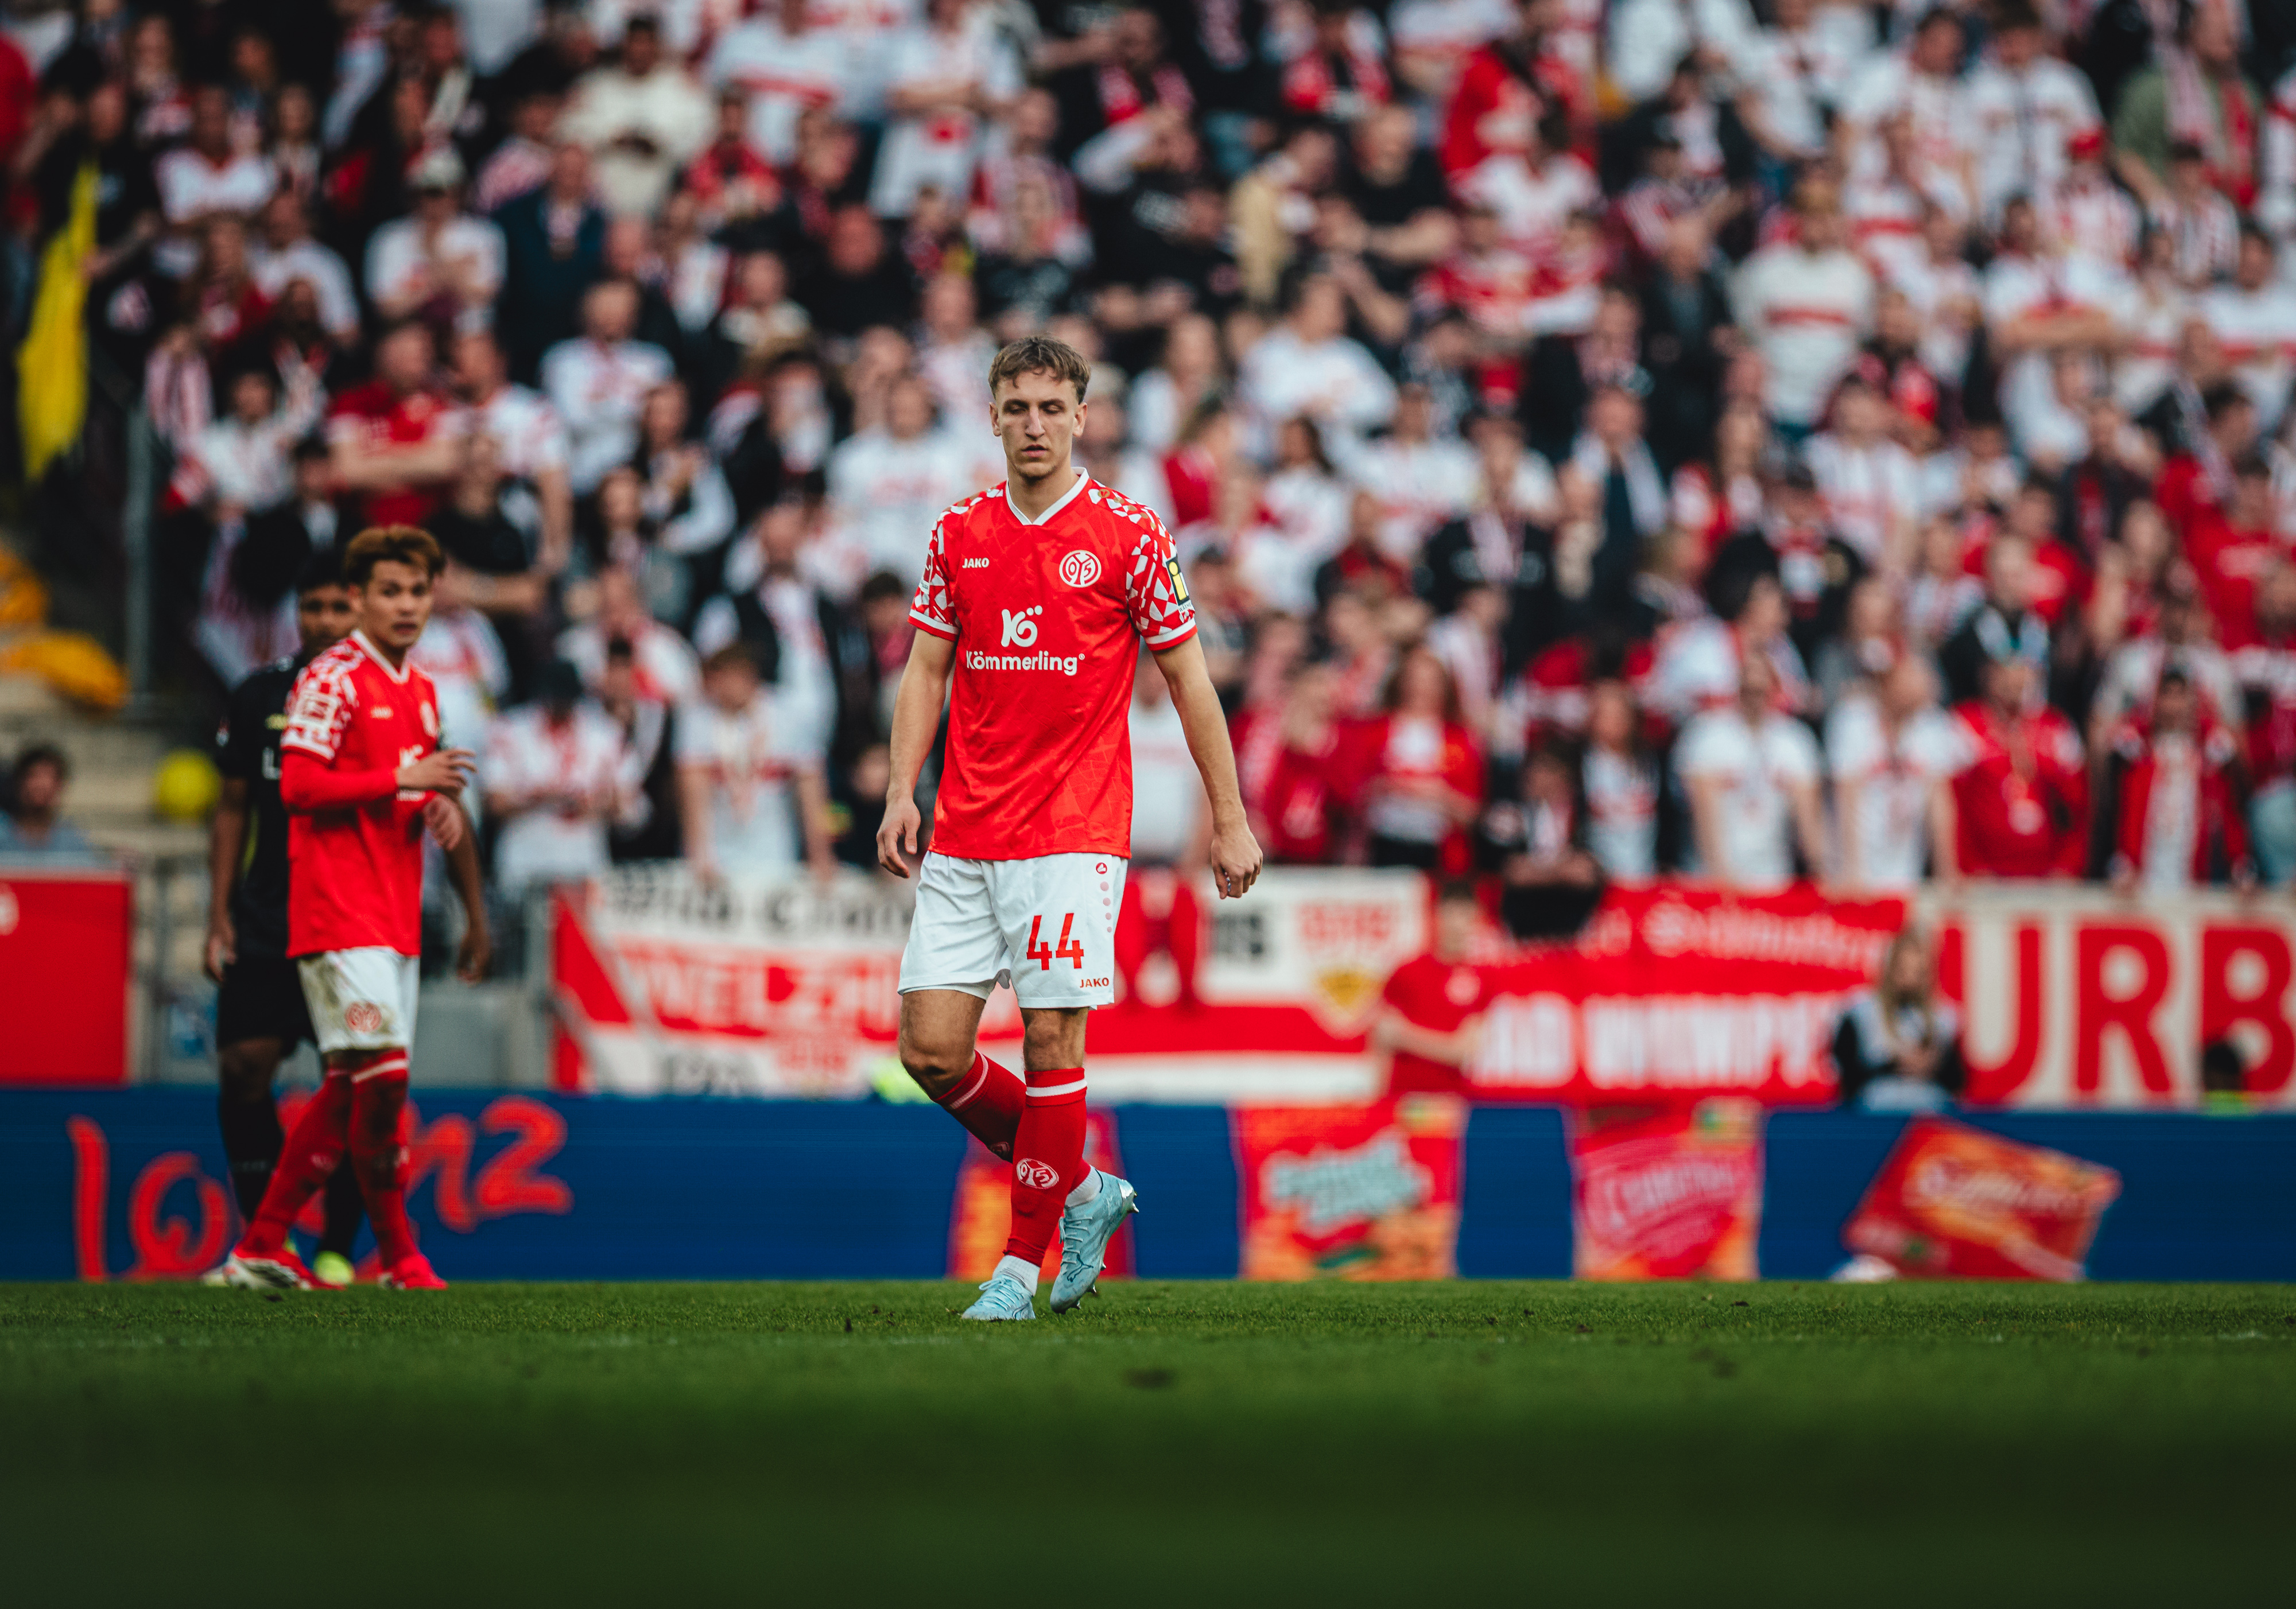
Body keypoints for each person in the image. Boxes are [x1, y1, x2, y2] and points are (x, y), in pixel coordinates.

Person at [876, 335, 1262, 1321]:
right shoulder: (958, 532)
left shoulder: (1131, 534)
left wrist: (1229, 819)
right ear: (993, 417)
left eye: (1053, 407)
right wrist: (899, 791)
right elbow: (926, 669)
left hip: (1074, 829)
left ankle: (1017, 1270)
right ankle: (1084, 1188)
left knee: (1052, 1036)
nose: (1035, 424)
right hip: (966, 827)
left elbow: (1191, 681)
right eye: (1018, 408)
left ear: (1083, 417)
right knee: (929, 1052)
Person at [218, 525, 492, 1293]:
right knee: (379, 1080)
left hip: (394, 914)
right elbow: (299, 787)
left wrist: (438, 809)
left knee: (362, 1084)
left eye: (417, 591)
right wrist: (405, 780)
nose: (406, 605)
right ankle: (385, 1255)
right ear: (359, 598)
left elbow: (414, 788)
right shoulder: (330, 679)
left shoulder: (422, 690)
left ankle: (281, 1246)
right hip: (339, 915)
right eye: (389, 591)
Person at [203, 553, 367, 1289]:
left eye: (339, 607)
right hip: (269, 914)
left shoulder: (386, 699)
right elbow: (232, 808)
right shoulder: (259, 694)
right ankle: (266, 1241)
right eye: (313, 607)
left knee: (355, 1084)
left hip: (353, 918)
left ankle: (337, 1246)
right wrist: (218, 915)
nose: (325, 622)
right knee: (244, 1068)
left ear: (360, 611)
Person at [676, 642, 836, 881]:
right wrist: (700, 854)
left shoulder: (787, 716)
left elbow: (811, 790)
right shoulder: (698, 719)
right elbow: (693, 795)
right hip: (719, 848)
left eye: (727, 679)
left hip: (776, 847)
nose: (720, 688)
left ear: (749, 677)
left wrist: (821, 854)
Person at [1675, 647, 1826, 890]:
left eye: (1761, 690)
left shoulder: (1795, 740)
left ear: (1775, 690)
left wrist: (1820, 872)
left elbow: (1809, 820)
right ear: (1737, 688)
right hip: (1714, 878)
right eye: (1749, 690)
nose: (1755, 698)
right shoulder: (1707, 734)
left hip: (1774, 876)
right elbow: (1703, 813)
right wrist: (1721, 877)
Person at [1371, 880, 1490, 1095]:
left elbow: (1463, 1051)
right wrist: (1379, 1098)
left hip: (1450, 1101)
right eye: (1450, 914)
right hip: (1402, 1097)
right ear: (1436, 915)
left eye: (1464, 916)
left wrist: (1403, 1036)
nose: (1456, 925)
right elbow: (1382, 1038)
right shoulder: (1406, 972)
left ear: (1476, 919)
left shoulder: (1483, 978)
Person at [1833, 925, 1964, 1112]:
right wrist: (1893, 1065)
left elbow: (1958, 1081)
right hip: (1876, 1112)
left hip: (1929, 1112)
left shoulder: (1944, 1017)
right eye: (1903, 970)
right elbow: (1847, 1079)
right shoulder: (1860, 1012)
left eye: (1919, 972)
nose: (1910, 981)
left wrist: (1934, 1066)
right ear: (1889, 968)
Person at [0, 745, 99, 861]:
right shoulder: (3, 832)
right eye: (34, 775)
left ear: (60, 786)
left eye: (49, 777)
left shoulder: (72, 841)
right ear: (19, 782)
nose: (40, 785)